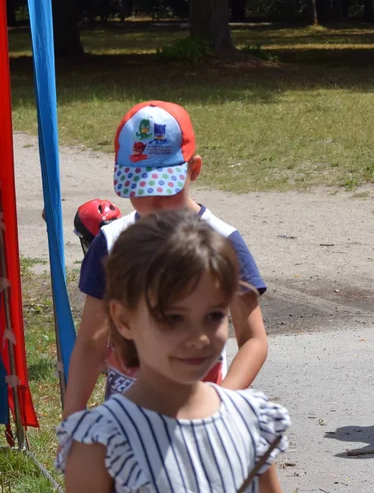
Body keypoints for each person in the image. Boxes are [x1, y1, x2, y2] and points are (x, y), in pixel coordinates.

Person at [57, 210, 374, 493]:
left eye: (213, 316)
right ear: (123, 320)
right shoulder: (99, 442)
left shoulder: (249, 421)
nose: (197, 338)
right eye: (173, 319)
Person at [63, 101, 269, 418]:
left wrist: (221, 407)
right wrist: (72, 418)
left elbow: (254, 339)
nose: (153, 200)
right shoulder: (112, 242)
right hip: (127, 423)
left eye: (165, 187)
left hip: (201, 421)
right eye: (139, 187)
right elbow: (91, 344)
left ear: (194, 170)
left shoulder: (221, 241)